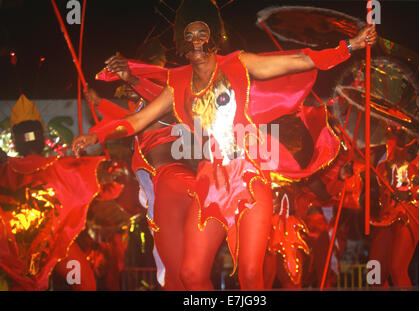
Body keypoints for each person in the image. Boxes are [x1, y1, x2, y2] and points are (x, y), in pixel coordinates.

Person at [72, 20, 376, 289]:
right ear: (181, 43)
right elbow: (137, 120)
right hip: (209, 183)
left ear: (214, 37)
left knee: (251, 275)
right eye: (188, 35)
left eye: (201, 33)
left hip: (248, 177)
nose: (195, 40)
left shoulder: (239, 63)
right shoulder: (177, 83)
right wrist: (96, 134)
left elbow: (297, 59)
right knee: (191, 274)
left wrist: (350, 45)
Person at [0, 94, 123, 290]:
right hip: (56, 243)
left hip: (24, 249)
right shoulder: (60, 168)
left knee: (25, 285)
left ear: (16, 141)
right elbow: (107, 187)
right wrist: (112, 172)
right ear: (41, 138)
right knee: (85, 284)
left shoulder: (6, 172)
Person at [84, 84, 196, 290]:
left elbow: (129, 122)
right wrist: (99, 102)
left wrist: (98, 132)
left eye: (133, 84)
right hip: (153, 184)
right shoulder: (138, 110)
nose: (128, 89)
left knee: (171, 249)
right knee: (164, 246)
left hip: (170, 180)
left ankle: (175, 282)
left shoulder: (161, 106)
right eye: (125, 87)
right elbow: (123, 119)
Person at [368, 124, 419, 287]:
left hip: (411, 212)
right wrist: (345, 173)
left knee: (396, 268)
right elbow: (362, 166)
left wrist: (411, 194)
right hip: (386, 215)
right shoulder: (383, 145)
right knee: (374, 273)